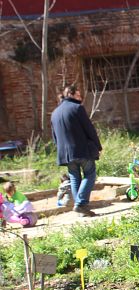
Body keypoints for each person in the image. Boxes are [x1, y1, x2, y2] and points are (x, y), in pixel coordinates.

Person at [51, 85, 102, 217]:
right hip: (81, 150)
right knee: (90, 174)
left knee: (74, 178)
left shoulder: (55, 113)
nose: (80, 98)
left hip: (65, 154)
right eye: (78, 95)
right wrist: (98, 146)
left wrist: (61, 151)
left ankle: (80, 211)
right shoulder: (77, 108)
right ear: (71, 94)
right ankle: (80, 203)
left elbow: (55, 137)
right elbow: (89, 129)